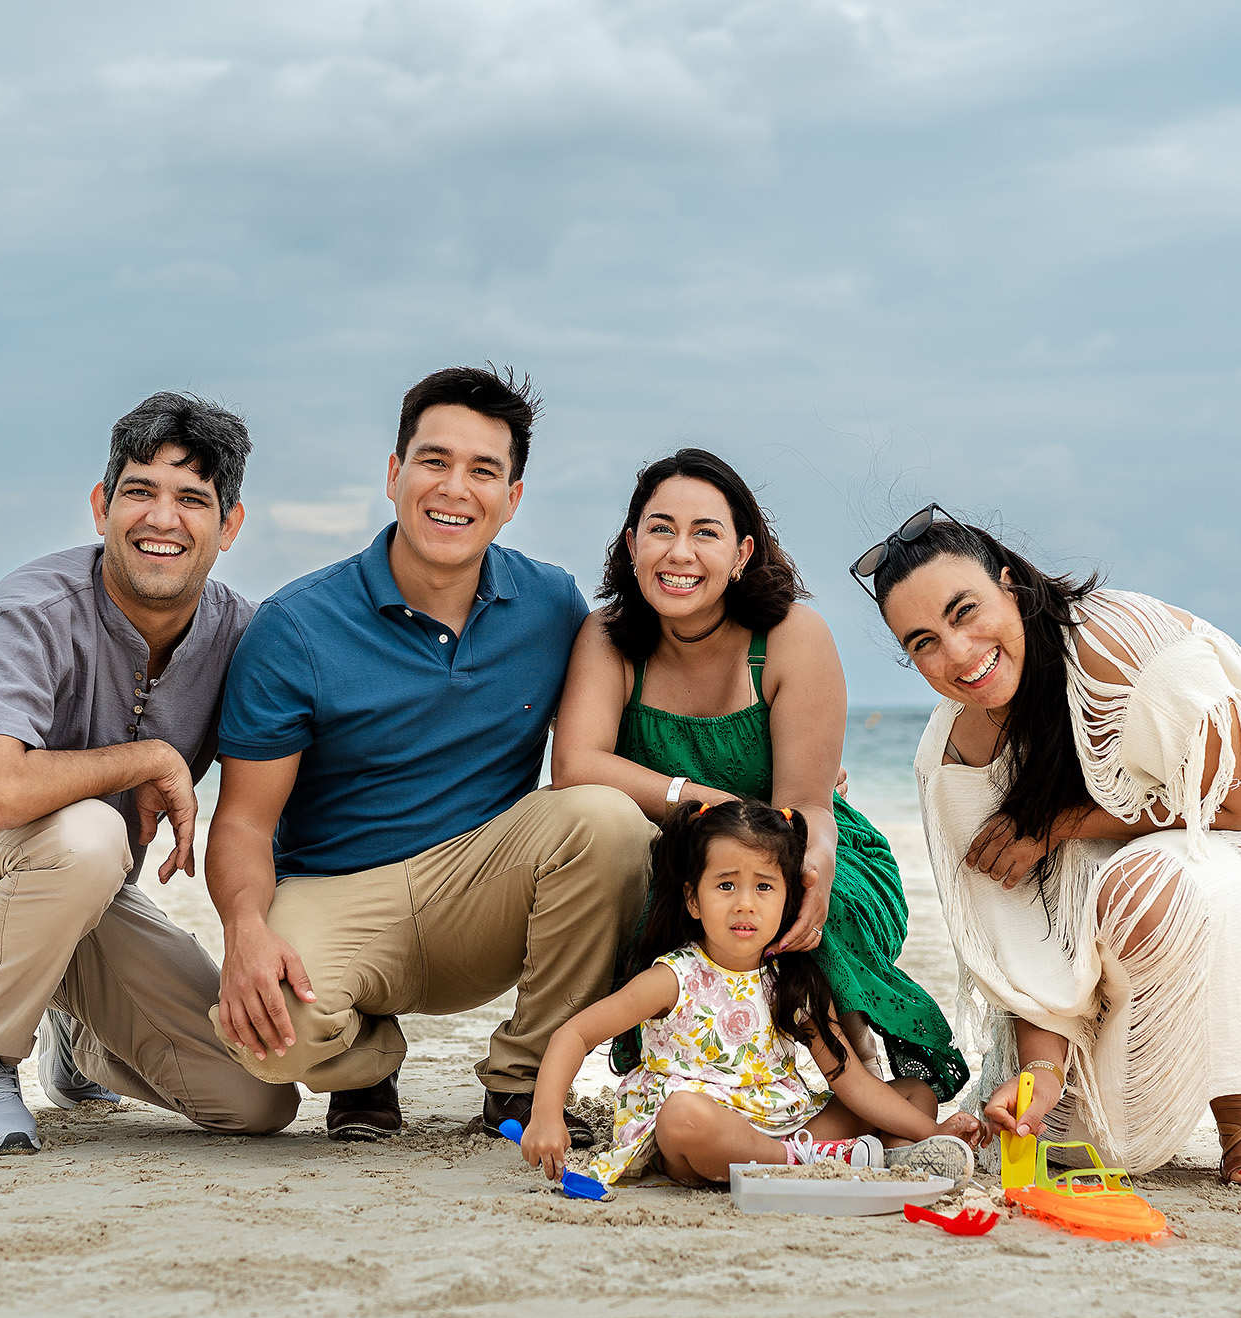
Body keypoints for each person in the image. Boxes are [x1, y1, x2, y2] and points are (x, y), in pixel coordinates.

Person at [857, 505, 1241, 1188]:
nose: (958, 654)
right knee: (1069, 1139)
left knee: (1151, 880)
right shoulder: (959, 749)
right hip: (1130, 912)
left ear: (1010, 584)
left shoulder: (1122, 646)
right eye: (924, 643)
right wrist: (1041, 1070)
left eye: (965, 612)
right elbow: (1021, 924)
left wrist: (1065, 822)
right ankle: (1084, 1072)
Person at [206, 366, 651, 1147]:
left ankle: (522, 1083)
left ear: (512, 498)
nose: (455, 489)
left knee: (608, 823)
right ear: (394, 474)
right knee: (267, 1043)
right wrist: (244, 925)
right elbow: (243, 822)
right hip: (338, 891)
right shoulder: (297, 625)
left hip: (481, 890)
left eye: (484, 471)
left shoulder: (553, 606)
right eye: (435, 461)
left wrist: (779, 778)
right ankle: (370, 1057)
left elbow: (623, 736)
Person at [0, 392, 299, 1154]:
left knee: (259, 1100)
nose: (163, 518)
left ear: (230, 526)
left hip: (78, 889)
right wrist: (150, 758)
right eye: (139, 491)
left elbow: (282, 797)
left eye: (193, 499)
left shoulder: (244, 636)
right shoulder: (32, 609)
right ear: (102, 506)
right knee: (90, 832)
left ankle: (76, 1036)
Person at [552, 448, 970, 1101]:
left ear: (743, 553)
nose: (679, 552)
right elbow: (575, 767)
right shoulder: (608, 635)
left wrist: (816, 865)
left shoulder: (790, 635)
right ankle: (706, 1083)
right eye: (660, 530)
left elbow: (809, 807)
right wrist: (703, 800)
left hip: (802, 839)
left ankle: (883, 1072)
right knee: (675, 919)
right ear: (633, 545)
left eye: (706, 533)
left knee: (803, 909)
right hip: (681, 863)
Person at [523, 799, 982, 1187]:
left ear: (788, 901)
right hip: (703, 1139)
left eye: (764, 887)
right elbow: (575, 1035)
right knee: (684, 1117)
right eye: (726, 885)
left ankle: (883, 1153)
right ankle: (825, 1161)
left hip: (786, 1124)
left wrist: (934, 1130)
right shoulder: (674, 977)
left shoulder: (793, 982)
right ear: (693, 900)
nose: (745, 902)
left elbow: (853, 1083)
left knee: (913, 1093)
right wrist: (546, 1116)